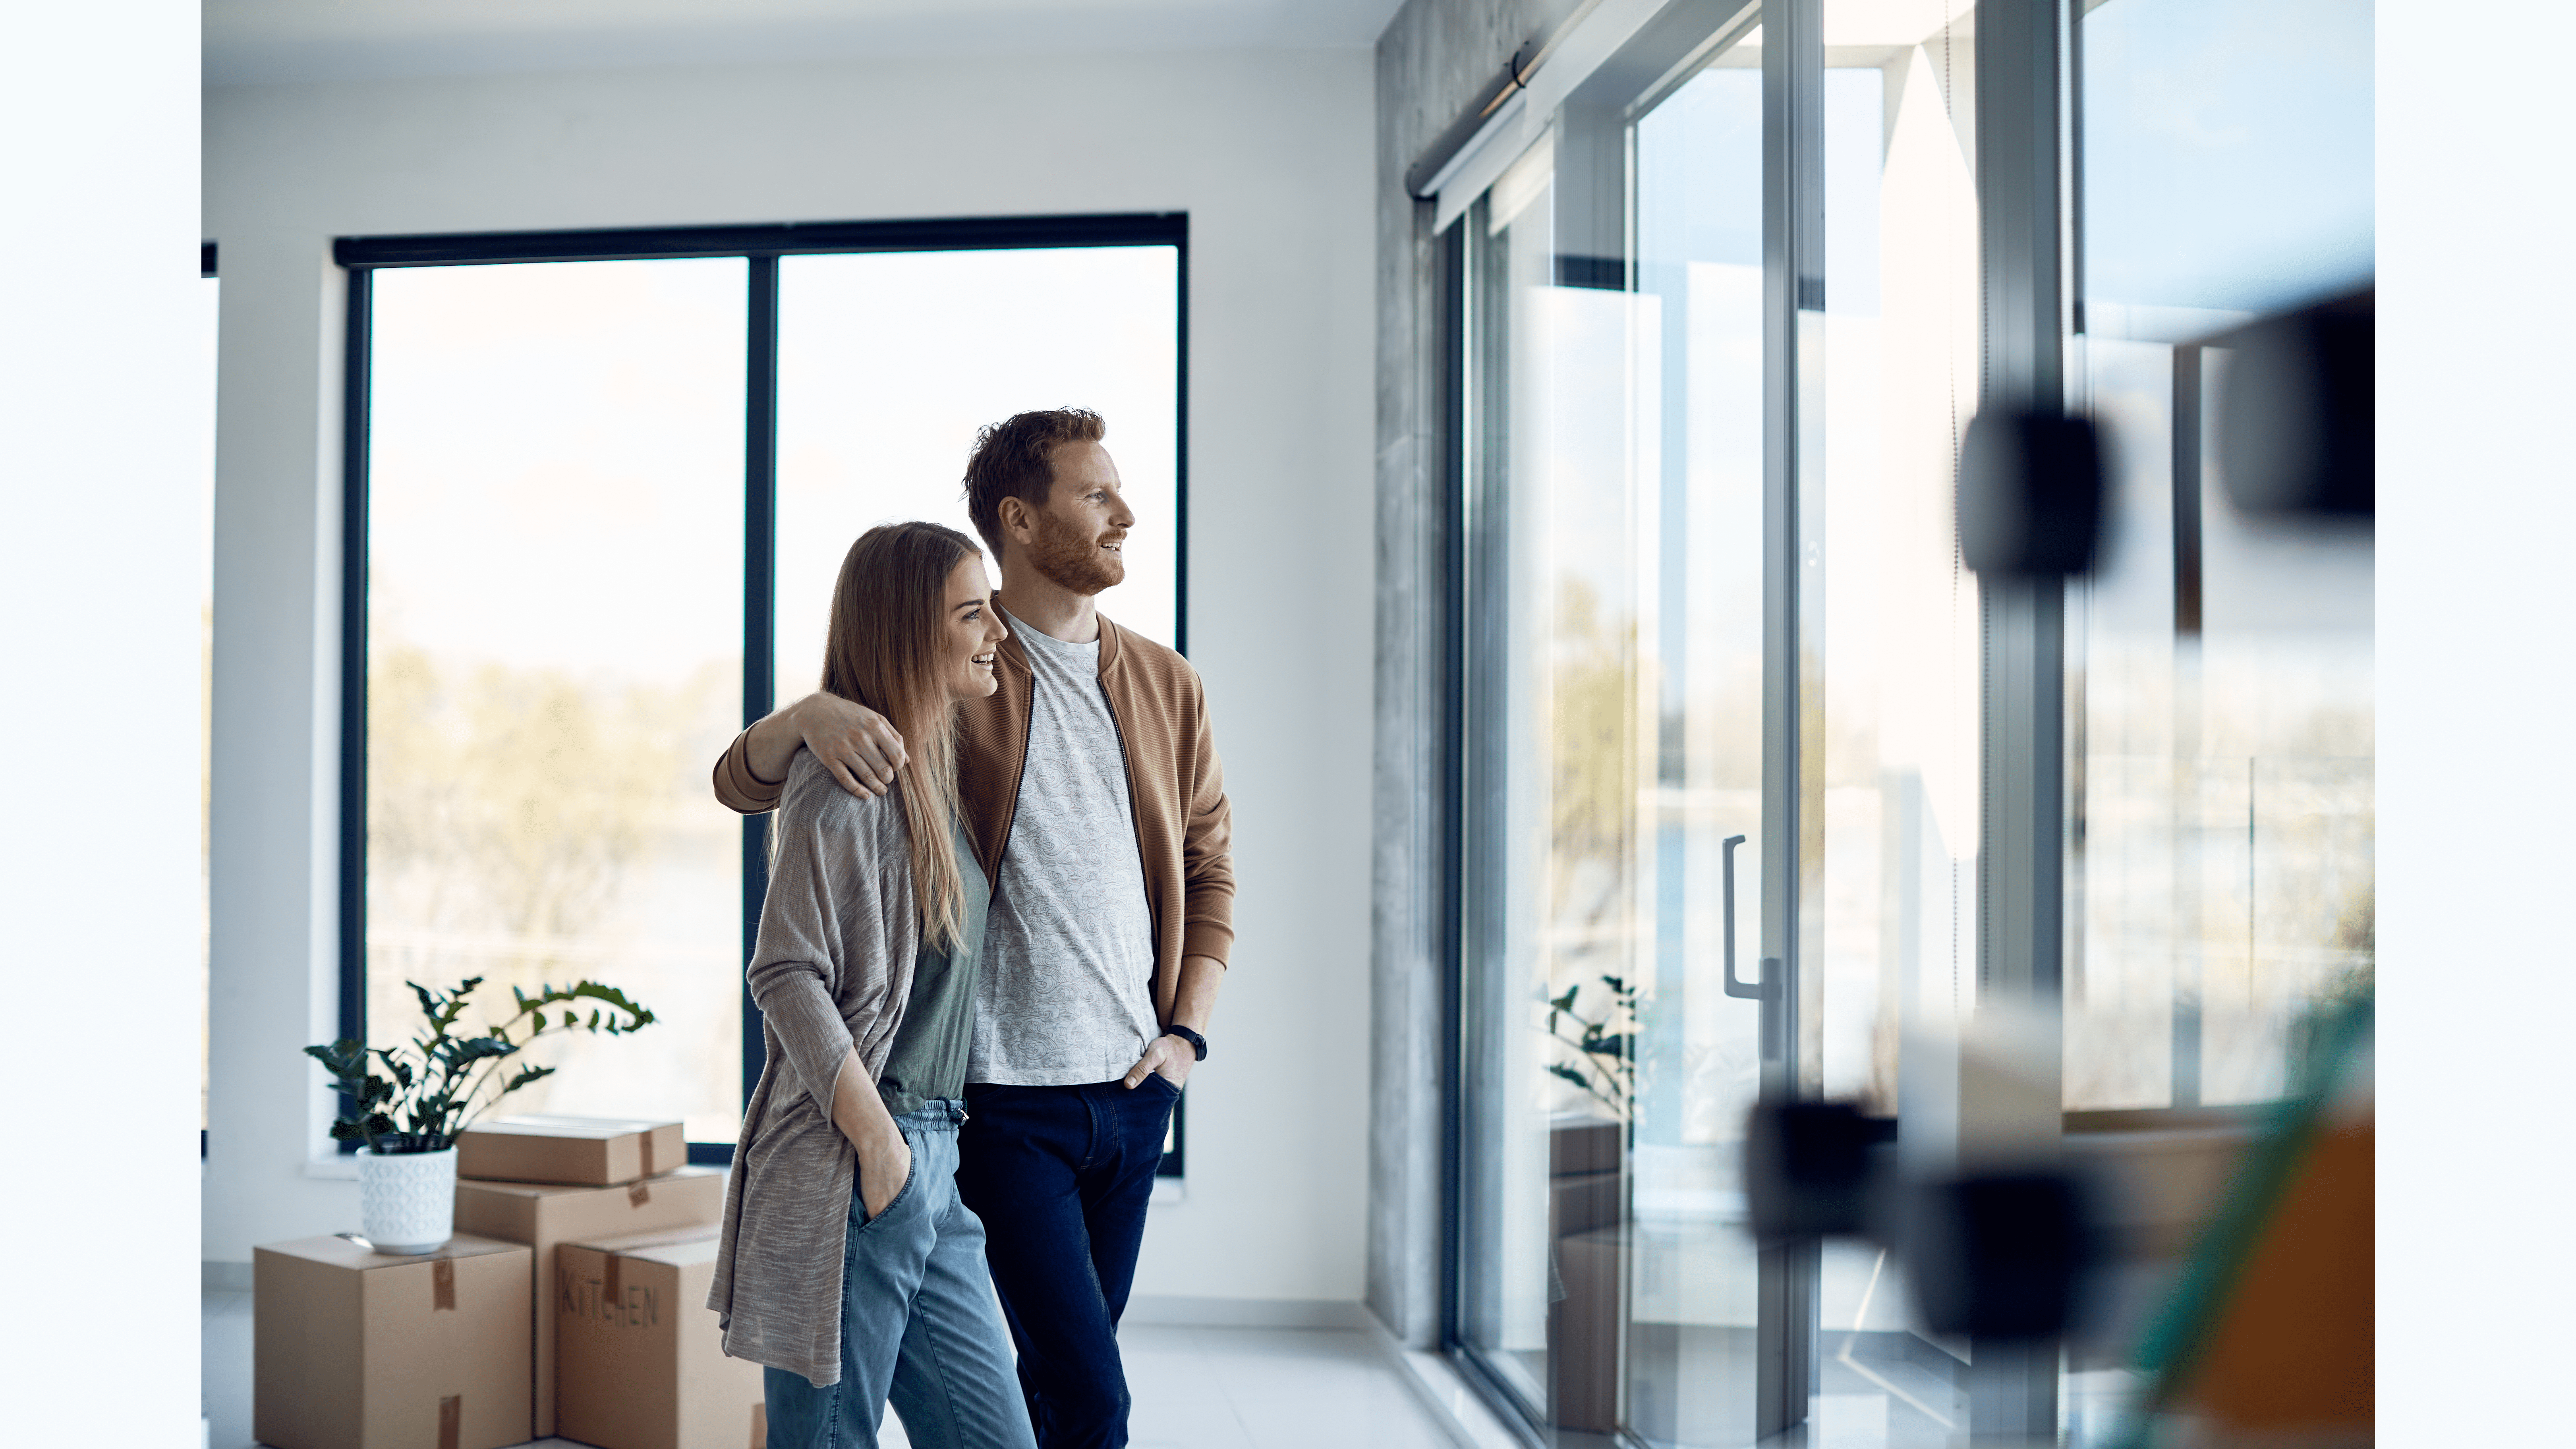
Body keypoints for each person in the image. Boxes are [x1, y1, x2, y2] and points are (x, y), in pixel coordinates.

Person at [711, 409, 1234, 1449]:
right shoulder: (962, 676)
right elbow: (751, 794)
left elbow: (1209, 867)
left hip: (1128, 1095)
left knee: (1057, 1384)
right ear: (1021, 520)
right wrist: (804, 716)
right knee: (1084, 1397)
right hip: (983, 1104)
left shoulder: (1166, 683)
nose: (1125, 513)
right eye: (1096, 494)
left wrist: (1183, 1040)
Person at [707, 520, 1036, 1449]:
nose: (995, 634)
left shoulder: (929, 765)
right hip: (860, 1158)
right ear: (906, 632)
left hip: (933, 1161)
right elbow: (783, 972)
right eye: (971, 615)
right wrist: (879, 1147)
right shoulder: (842, 780)